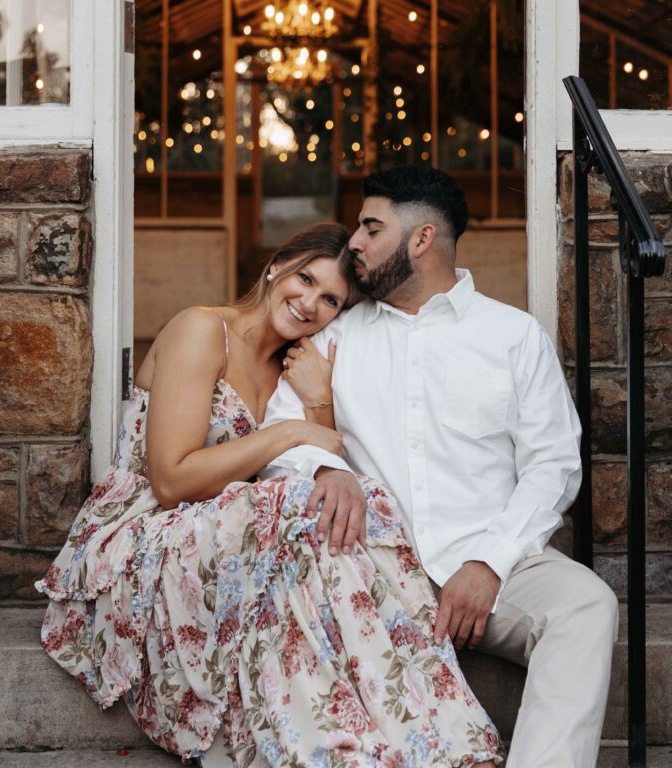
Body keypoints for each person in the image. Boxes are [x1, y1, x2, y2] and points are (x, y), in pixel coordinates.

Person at [36, 222, 503, 768]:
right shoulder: (202, 330)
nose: (310, 302)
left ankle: (424, 733)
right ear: (276, 266)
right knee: (294, 507)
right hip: (142, 529)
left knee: (358, 504)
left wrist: (318, 402)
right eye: (304, 279)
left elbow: (324, 460)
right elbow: (171, 481)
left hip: (236, 536)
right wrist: (288, 432)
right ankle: (331, 745)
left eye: (330, 299)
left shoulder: (298, 367)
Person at [261, 168, 619, 768]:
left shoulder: (513, 336)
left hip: (494, 564)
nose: (354, 242)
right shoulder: (334, 337)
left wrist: (489, 562)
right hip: (373, 569)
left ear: (421, 239)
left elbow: (553, 465)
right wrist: (327, 469)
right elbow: (278, 433)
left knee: (588, 605)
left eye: (371, 228)